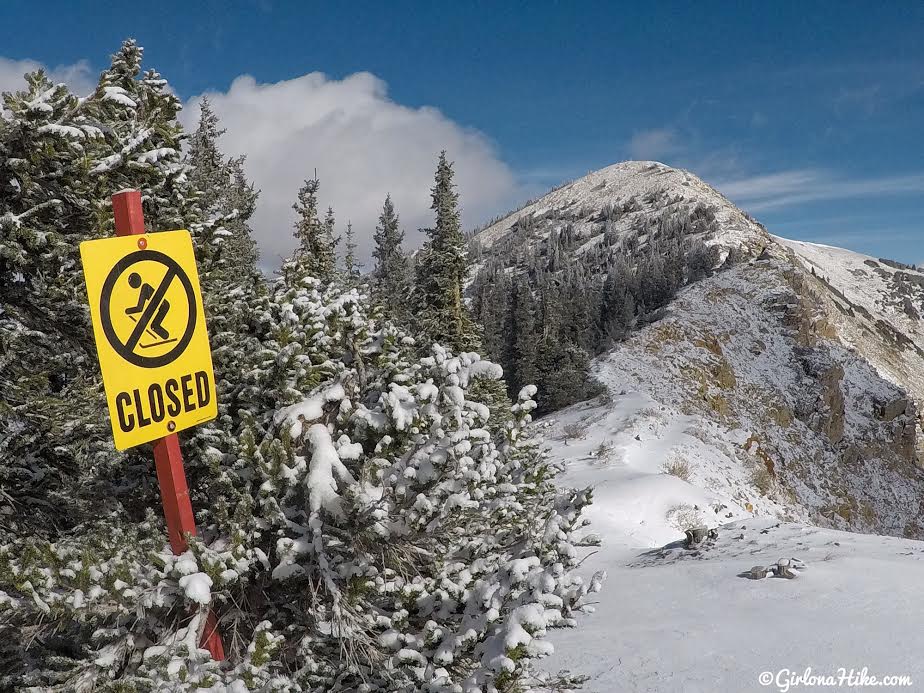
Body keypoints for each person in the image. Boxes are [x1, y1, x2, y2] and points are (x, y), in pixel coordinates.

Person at [125, 272, 170, 340]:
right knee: (154, 326)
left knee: (154, 326)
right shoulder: (145, 287)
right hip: (163, 305)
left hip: (164, 305)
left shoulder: (145, 287)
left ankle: (165, 335)